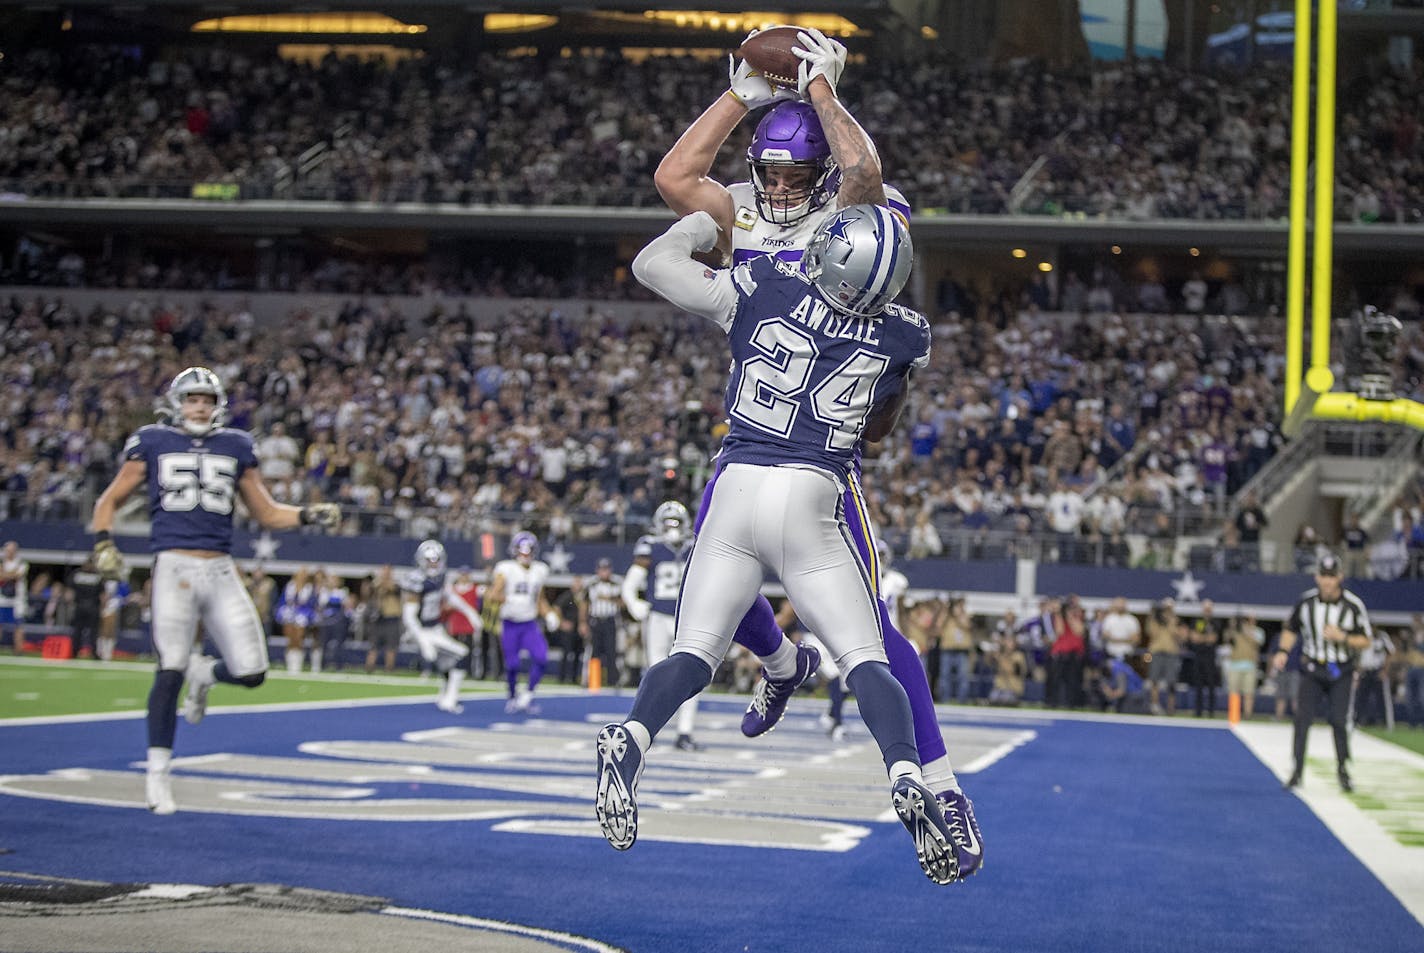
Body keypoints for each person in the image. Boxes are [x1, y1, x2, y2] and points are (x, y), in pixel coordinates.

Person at [653, 29, 980, 877]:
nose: (784, 187)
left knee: (870, 624)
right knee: (712, 560)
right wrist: (741, 97)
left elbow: (866, 179)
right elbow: (673, 180)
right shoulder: (749, 203)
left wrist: (823, 92)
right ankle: (779, 661)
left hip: (829, 451)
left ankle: (939, 784)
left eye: (800, 175)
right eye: (774, 172)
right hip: (754, 426)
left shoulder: (858, 204)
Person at [595, 195, 962, 885]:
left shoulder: (764, 285)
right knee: (864, 657)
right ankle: (906, 771)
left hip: (735, 484)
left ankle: (634, 735)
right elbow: (878, 428)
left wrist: (703, 225)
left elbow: (653, 265)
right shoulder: (906, 333)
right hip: (812, 492)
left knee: (695, 653)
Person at [88, 366, 341, 815]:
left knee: (253, 670)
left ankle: (206, 676)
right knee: (169, 668)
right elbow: (108, 499)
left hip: (221, 568)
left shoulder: (236, 445)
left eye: (206, 399)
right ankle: (158, 775)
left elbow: (264, 512)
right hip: (173, 566)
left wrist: (308, 514)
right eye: (192, 399)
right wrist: (103, 541)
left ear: (218, 405)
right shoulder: (152, 440)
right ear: (177, 403)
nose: (199, 407)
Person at [1273, 553, 1374, 792]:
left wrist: (1344, 637)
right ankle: (1297, 771)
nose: (1328, 582)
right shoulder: (1306, 602)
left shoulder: (1353, 605)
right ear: (1317, 577)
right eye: (1324, 576)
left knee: (1339, 720)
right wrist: (1283, 651)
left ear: (1340, 577)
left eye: (1332, 576)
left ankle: (1343, 770)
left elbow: (1366, 640)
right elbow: (1291, 628)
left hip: (1341, 670)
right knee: (1302, 719)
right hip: (1313, 668)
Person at [622, 501, 703, 750]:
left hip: (687, 618)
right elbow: (631, 581)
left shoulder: (695, 545)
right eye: (668, 522)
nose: (671, 527)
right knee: (655, 673)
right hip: (657, 616)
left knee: (690, 675)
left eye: (675, 522)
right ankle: (646, 729)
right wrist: (634, 603)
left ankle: (684, 732)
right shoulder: (651, 546)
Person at [400, 540, 480, 714]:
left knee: (448, 663)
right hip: (420, 630)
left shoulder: (441, 577)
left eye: (436, 560)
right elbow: (408, 617)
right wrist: (423, 641)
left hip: (436, 629)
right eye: (429, 560)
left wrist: (470, 613)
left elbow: (451, 596)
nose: (433, 564)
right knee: (462, 654)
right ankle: (449, 699)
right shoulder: (416, 580)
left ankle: (444, 696)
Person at [485, 531, 557, 713]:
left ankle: (528, 694)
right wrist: (508, 599)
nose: (525, 555)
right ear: (515, 551)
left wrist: (549, 614)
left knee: (541, 657)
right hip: (510, 624)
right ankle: (511, 696)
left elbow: (540, 600)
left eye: (528, 551)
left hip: (529, 624)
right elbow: (493, 594)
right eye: (522, 551)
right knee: (513, 665)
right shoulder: (506, 568)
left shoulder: (539, 570)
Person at [584, 556, 624, 690]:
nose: (604, 573)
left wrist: (608, 598)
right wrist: (582, 622)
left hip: (610, 620)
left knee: (611, 651)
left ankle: (613, 681)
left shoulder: (617, 584)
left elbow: (623, 603)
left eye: (606, 569)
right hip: (595, 620)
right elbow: (584, 604)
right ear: (597, 571)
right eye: (602, 570)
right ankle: (593, 681)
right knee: (594, 651)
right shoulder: (591, 584)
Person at [363, 565, 403, 674]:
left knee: (391, 647)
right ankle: (369, 669)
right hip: (378, 619)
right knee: (373, 646)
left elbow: (393, 590)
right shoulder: (375, 585)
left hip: (391, 619)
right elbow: (368, 593)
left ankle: (389, 669)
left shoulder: (396, 585)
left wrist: (384, 582)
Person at [1224, 612, 1264, 720]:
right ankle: (1234, 715)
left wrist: (1246, 631)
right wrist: (1233, 626)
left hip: (1250, 666)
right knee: (1234, 692)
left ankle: (1247, 714)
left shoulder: (1258, 632)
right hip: (1235, 665)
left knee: (1248, 692)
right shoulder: (1235, 631)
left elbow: (1256, 643)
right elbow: (1227, 639)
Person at [66, 556, 105, 659]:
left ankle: (90, 651)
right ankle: (75, 651)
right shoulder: (93, 575)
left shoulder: (80, 574)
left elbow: (102, 595)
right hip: (84, 605)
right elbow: (70, 593)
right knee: (79, 630)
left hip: (89, 605)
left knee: (91, 631)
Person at [1, 540, 29, 654]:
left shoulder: (22, 562)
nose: (10, 553)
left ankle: (18, 649)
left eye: (12, 550)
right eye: (8, 550)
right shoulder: (2, 562)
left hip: (17, 599)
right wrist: (10, 574)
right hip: (2, 598)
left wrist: (5, 574)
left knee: (18, 625)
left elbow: (18, 575)